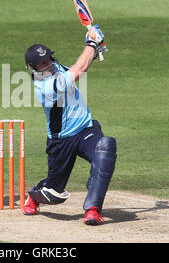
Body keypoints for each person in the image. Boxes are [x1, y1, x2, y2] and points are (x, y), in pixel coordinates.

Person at [22, 25, 117, 225]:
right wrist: (91, 43)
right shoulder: (45, 87)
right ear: (32, 68)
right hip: (61, 140)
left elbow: (79, 69)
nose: (48, 64)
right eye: (41, 63)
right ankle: (34, 196)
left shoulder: (58, 69)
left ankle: (92, 209)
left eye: (48, 59)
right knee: (54, 193)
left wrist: (95, 49)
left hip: (85, 130)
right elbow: (78, 70)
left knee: (105, 148)